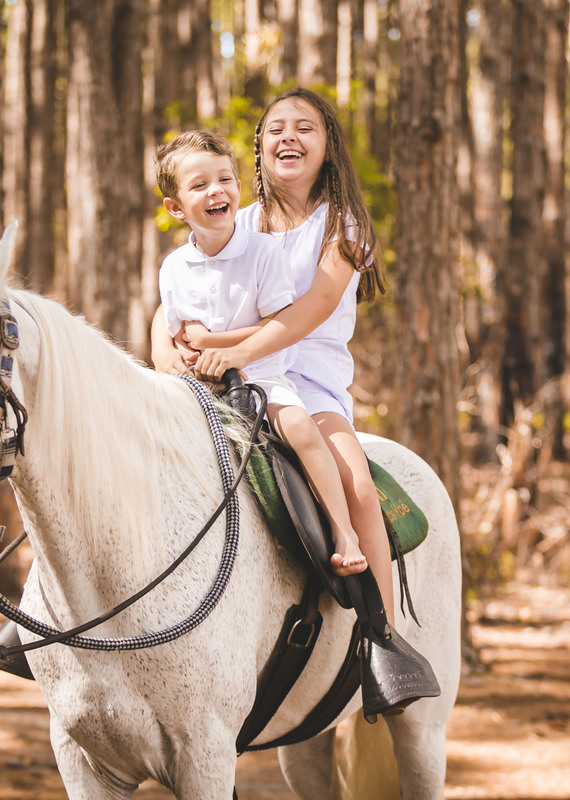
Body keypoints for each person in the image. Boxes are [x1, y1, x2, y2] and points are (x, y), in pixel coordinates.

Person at [150, 89, 399, 622]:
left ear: (328, 146)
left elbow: (310, 310)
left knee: (355, 483)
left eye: (305, 127)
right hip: (226, 375)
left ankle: (386, 640)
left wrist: (230, 348)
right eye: (276, 127)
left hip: (305, 378)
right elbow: (177, 293)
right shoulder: (231, 217)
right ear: (260, 145)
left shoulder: (341, 225)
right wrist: (162, 348)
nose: (289, 135)